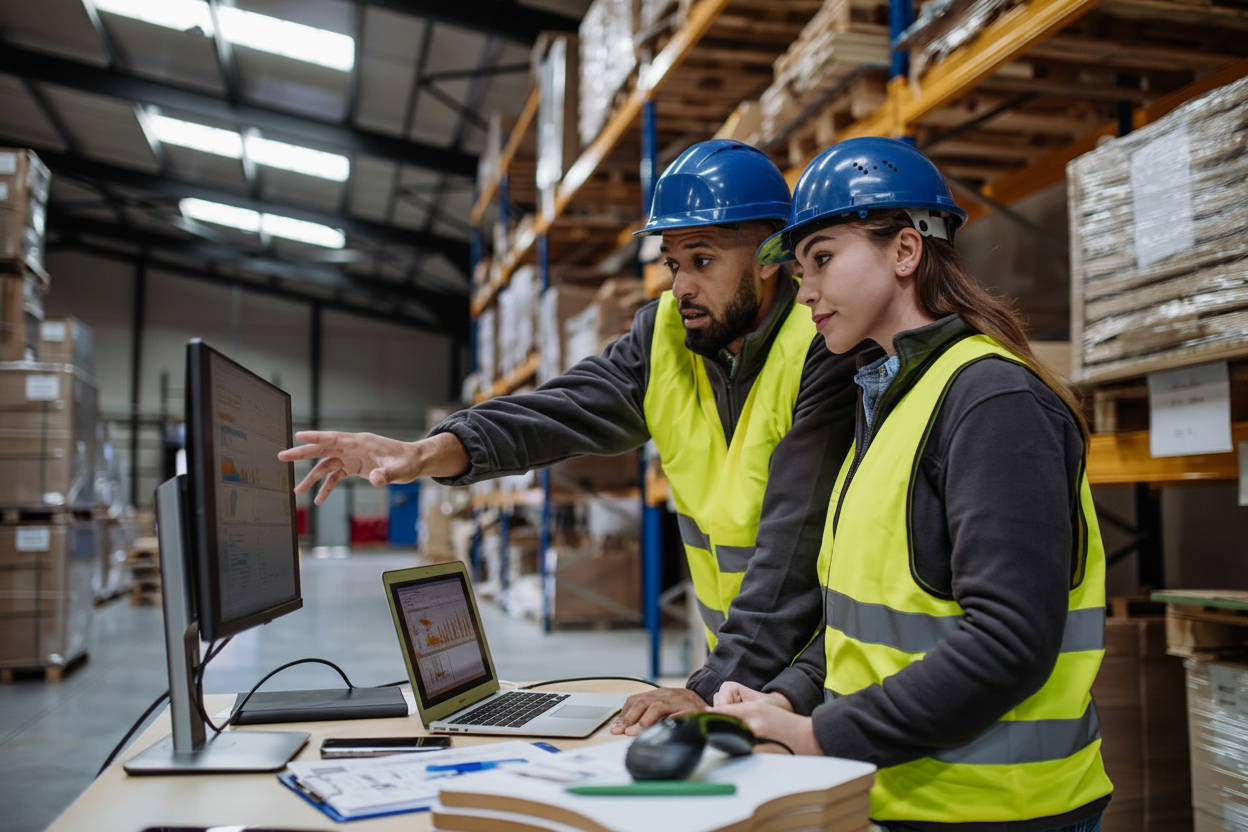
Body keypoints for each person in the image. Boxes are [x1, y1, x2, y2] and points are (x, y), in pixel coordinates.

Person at [279, 139, 862, 734]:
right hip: (736, 671)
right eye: (672, 263)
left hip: (818, 678)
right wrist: (424, 453)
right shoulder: (662, 336)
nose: (681, 286)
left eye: (703, 261)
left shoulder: (824, 346)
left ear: (769, 257)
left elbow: (793, 546)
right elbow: (556, 411)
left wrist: (711, 686)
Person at [710, 137, 1112, 832]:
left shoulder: (991, 401)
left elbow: (1008, 641)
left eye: (823, 259)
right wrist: (788, 699)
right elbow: (875, 626)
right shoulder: (887, 400)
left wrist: (820, 738)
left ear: (905, 251)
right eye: (801, 269)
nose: (804, 292)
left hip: (1001, 812)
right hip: (908, 799)